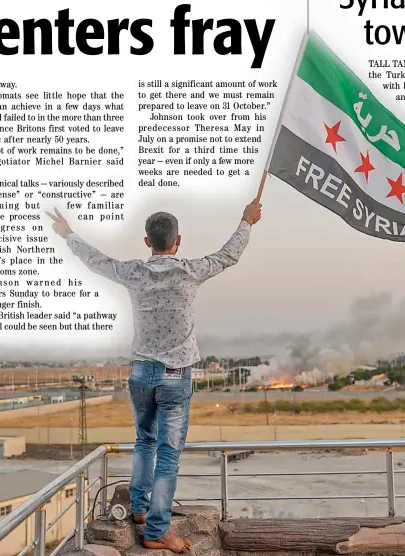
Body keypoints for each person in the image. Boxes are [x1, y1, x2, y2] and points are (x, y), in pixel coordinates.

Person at [47, 194, 262, 553]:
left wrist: (68, 233)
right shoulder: (190, 270)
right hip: (175, 375)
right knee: (168, 453)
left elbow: (95, 260)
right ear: (177, 241)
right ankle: (157, 531)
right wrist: (246, 221)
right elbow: (229, 255)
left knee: (144, 441)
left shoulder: (134, 272)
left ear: (148, 242)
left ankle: (141, 510)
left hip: (141, 374)